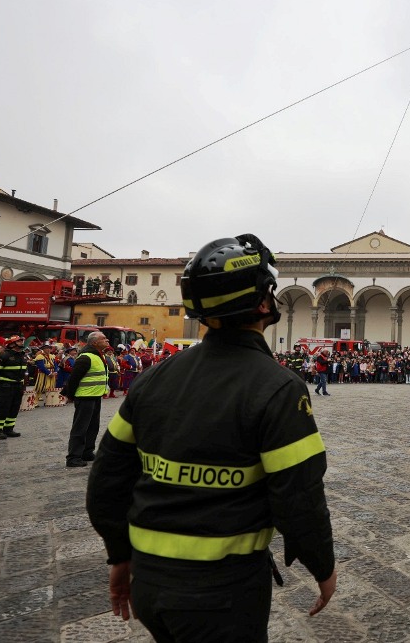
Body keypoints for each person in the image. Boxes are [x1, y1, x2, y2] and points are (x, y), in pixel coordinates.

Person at [86, 233, 335, 640]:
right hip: (223, 592)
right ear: (261, 303)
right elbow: (299, 497)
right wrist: (322, 566)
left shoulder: (152, 379)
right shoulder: (278, 388)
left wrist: (120, 554)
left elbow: (106, 481)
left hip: (149, 581)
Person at [62, 332, 110, 468]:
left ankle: (87, 452)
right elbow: (74, 378)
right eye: (103, 338)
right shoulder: (86, 357)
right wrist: (70, 396)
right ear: (94, 342)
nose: (107, 340)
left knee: (93, 427)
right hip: (85, 397)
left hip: (95, 396)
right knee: (80, 428)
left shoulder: (98, 355)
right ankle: (73, 457)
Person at [0, 335, 28, 439]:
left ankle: (8, 429)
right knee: (3, 408)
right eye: (19, 341)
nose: (21, 342)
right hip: (6, 386)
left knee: (14, 408)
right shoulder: (4, 356)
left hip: (18, 386)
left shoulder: (23, 355)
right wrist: (1, 384)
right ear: (11, 344)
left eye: (21, 340)